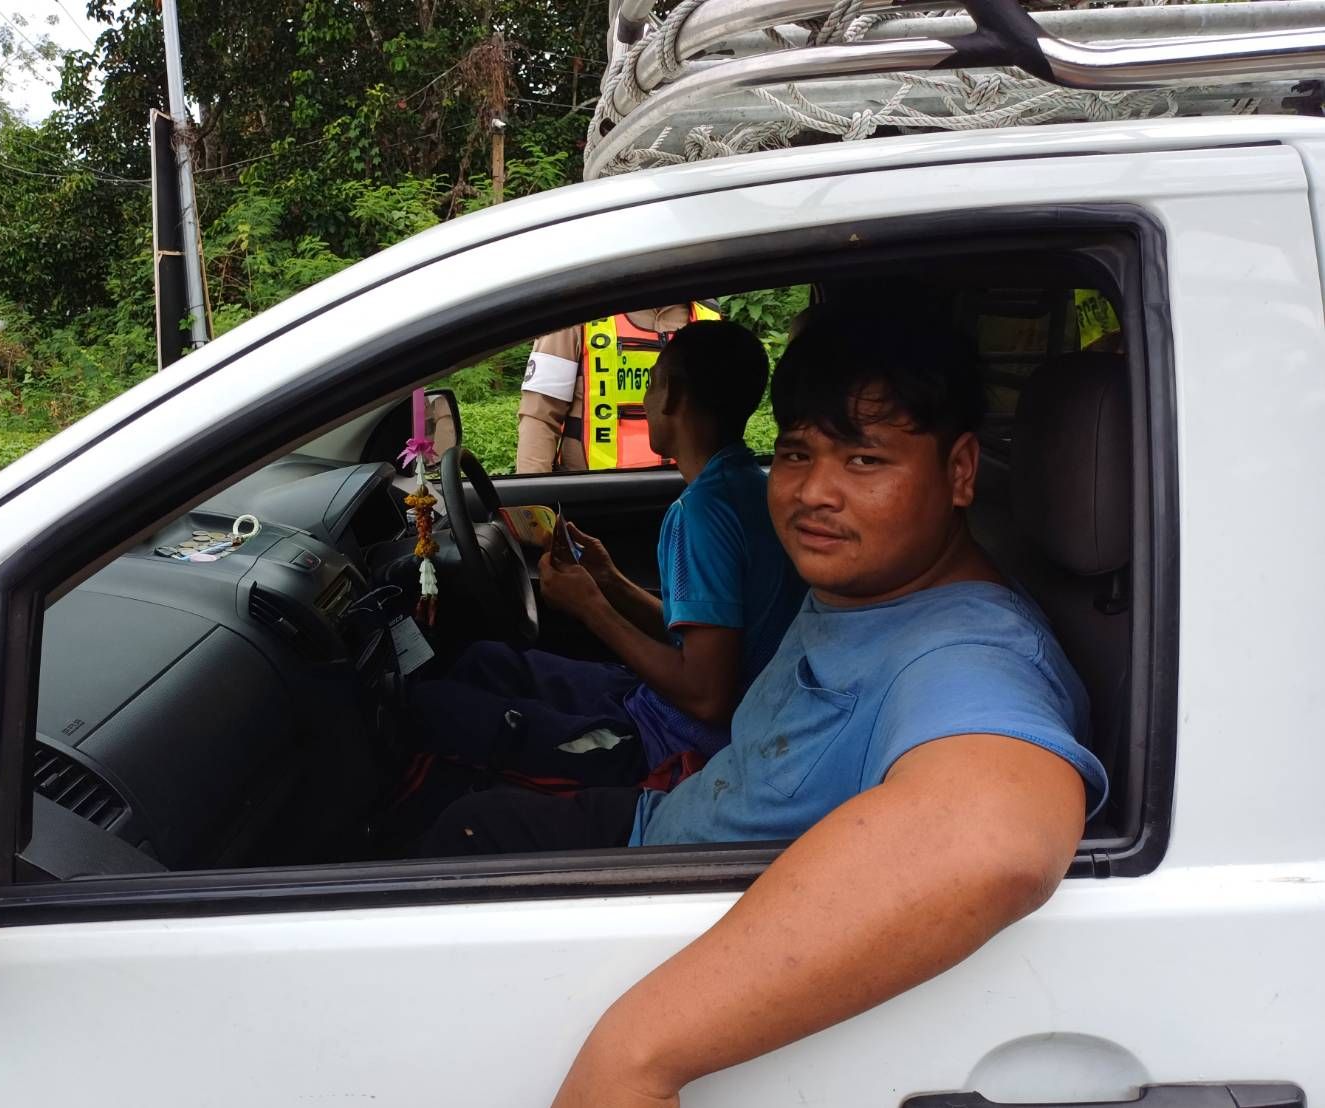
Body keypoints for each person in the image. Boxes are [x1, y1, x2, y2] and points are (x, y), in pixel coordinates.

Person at [423, 308, 1110, 1108]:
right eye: (795, 453)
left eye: (864, 459)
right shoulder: (870, 584)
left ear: (959, 471)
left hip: (670, 884)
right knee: (468, 818)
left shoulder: (965, 649)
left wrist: (635, 1054)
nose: (814, 492)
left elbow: (994, 838)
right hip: (672, 812)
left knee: (452, 810)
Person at [412, 320, 805, 787]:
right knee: (484, 660)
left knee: (430, 711)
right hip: (657, 705)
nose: (645, 400)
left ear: (673, 395)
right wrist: (609, 581)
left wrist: (591, 609)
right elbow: (706, 639)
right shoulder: (749, 488)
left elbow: (707, 697)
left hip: (669, 745)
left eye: (651, 384)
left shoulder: (699, 514)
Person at [516, 302, 720, 474]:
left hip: (688, 494)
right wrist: (532, 501)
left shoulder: (710, 316)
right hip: (593, 496)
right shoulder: (576, 310)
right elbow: (539, 416)